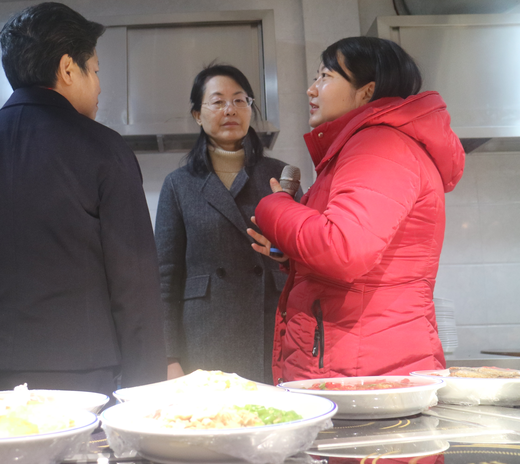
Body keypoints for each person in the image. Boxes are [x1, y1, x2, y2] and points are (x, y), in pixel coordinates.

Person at [0, 2, 166, 398]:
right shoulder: (106, 150)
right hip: (79, 380)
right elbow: (134, 287)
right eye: (96, 71)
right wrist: (147, 396)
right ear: (68, 68)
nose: (99, 86)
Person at [251, 37, 465, 382]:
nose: (311, 89)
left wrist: (272, 206)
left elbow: (344, 249)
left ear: (367, 91)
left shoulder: (379, 144)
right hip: (358, 363)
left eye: (325, 76)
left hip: (365, 372)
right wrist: (293, 256)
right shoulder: (367, 144)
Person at [155, 65, 299, 385]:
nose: (230, 110)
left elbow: (306, 257)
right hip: (204, 335)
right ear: (197, 114)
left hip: (272, 329)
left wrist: (282, 253)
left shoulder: (280, 176)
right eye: (218, 101)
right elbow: (164, 277)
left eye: (239, 100)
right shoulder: (179, 184)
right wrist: (169, 357)